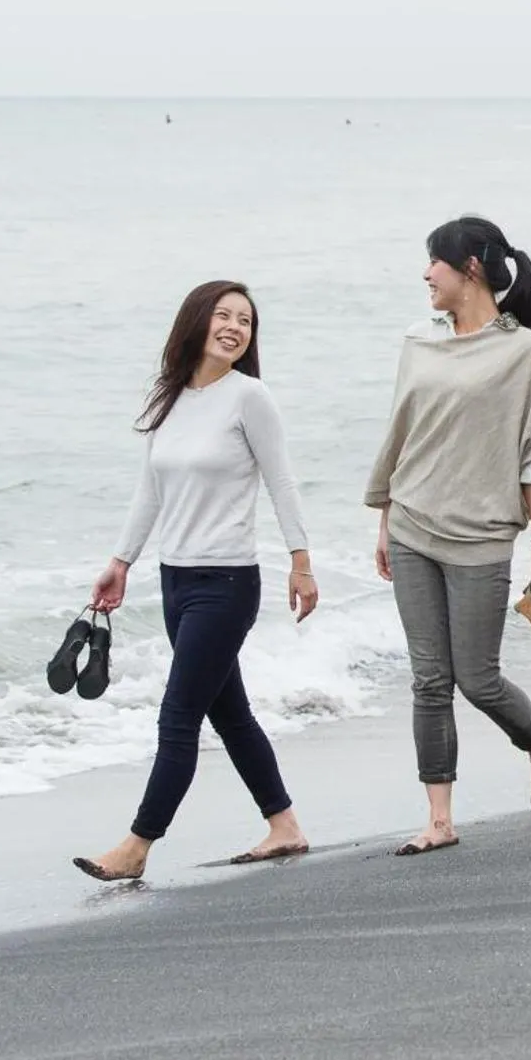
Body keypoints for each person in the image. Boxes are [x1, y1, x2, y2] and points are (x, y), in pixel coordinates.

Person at [72, 280, 319, 882]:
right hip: (175, 582)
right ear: (197, 321)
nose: (235, 327)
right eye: (224, 316)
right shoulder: (171, 398)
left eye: (246, 321)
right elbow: (150, 490)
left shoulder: (249, 398)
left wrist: (301, 561)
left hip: (228, 582)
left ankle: (137, 845)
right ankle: (284, 826)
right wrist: (121, 561)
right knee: (229, 713)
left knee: (178, 715)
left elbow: (281, 482)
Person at [365, 216, 531, 854]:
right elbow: (402, 434)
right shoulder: (418, 340)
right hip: (412, 524)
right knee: (429, 678)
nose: (426, 274)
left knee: (477, 678)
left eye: (435, 262)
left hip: (481, 534)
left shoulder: (525, 353)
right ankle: (440, 820)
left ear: (470, 269)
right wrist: (384, 519)